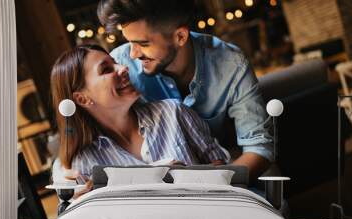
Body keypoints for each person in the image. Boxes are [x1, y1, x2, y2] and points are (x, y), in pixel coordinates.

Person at [97, 0, 273, 181]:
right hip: (153, 181)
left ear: (180, 36)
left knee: (272, 181)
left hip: (222, 165)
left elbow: (259, 146)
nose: (133, 54)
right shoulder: (119, 67)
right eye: (129, 43)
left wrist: (214, 185)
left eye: (143, 43)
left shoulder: (231, 64)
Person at [50, 44, 229, 195]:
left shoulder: (173, 112)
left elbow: (222, 170)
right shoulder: (84, 164)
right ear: (82, 99)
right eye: (106, 69)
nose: (123, 68)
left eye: (116, 63)